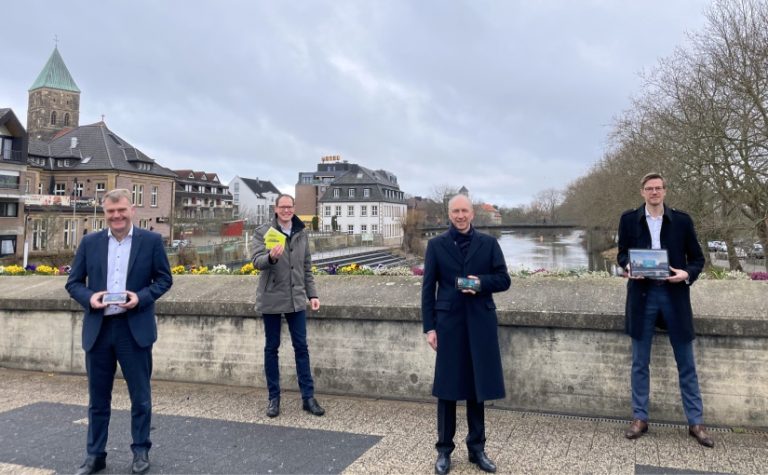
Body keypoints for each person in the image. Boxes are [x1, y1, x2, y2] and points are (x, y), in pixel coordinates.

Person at [66, 188, 173, 474]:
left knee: (140, 397)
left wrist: (141, 298)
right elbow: (73, 282)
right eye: (111, 212)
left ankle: (140, 451)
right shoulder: (90, 243)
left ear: (131, 210)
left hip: (133, 328)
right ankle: (95, 455)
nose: (116, 216)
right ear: (105, 213)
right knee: (98, 400)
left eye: (121, 210)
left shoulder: (150, 241)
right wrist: (89, 298)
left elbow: (164, 280)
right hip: (99, 329)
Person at [617, 172, 713, 448]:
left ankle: (695, 422)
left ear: (665, 191)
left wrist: (686, 274)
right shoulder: (628, 219)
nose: (655, 192)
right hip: (642, 296)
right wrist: (628, 267)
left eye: (659, 188)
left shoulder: (682, 220)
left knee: (686, 363)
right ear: (642, 192)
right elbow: (623, 253)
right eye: (650, 188)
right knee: (639, 363)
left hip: (674, 295)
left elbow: (697, 259)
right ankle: (640, 418)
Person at [421, 194, 511, 475]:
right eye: (455, 211)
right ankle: (444, 451)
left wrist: (481, 283)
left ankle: (477, 448)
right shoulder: (436, 246)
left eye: (464, 211)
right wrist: (430, 327)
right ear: (449, 214)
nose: (460, 215)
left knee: (477, 388)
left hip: (480, 322)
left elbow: (504, 279)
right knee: (447, 390)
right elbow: (427, 289)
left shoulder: (489, 244)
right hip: (449, 325)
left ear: (472, 214)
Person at [252, 193, 325, 418]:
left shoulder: (301, 233)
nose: (286, 210)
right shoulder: (263, 232)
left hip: (296, 297)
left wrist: (312, 294)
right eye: (282, 207)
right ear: (275, 209)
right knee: (271, 348)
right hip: (272, 296)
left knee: (301, 348)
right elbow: (256, 262)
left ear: (293, 209)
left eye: (289, 207)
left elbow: (306, 266)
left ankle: (308, 397)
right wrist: (271, 258)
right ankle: (274, 398)